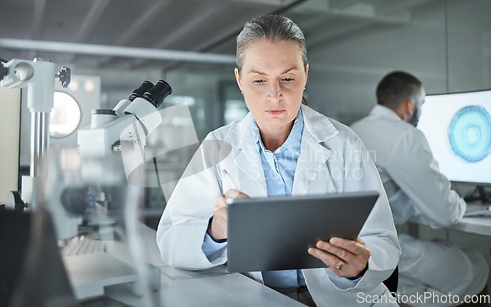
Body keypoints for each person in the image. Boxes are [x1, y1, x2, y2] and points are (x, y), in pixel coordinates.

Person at [157, 15, 400, 306]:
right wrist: (215, 231)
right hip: (256, 297)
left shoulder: (343, 142)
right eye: (259, 80)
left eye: (288, 79)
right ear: (239, 80)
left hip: (340, 298)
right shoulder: (216, 146)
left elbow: (383, 240)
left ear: (305, 75)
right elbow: (170, 240)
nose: (275, 95)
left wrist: (357, 268)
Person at [350, 71, 489, 306]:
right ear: (410, 105)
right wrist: (462, 203)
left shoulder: (353, 130)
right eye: (422, 104)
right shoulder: (405, 136)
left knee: (424, 277)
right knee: (476, 266)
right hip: (375, 252)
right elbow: (445, 214)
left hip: (350, 252)